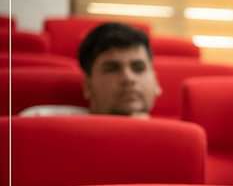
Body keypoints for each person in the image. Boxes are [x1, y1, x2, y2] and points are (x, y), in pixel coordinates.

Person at [19, 22, 161, 117]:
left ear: (156, 83)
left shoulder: (173, 138)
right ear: (87, 86)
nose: (128, 78)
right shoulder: (40, 121)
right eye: (112, 69)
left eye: (138, 68)